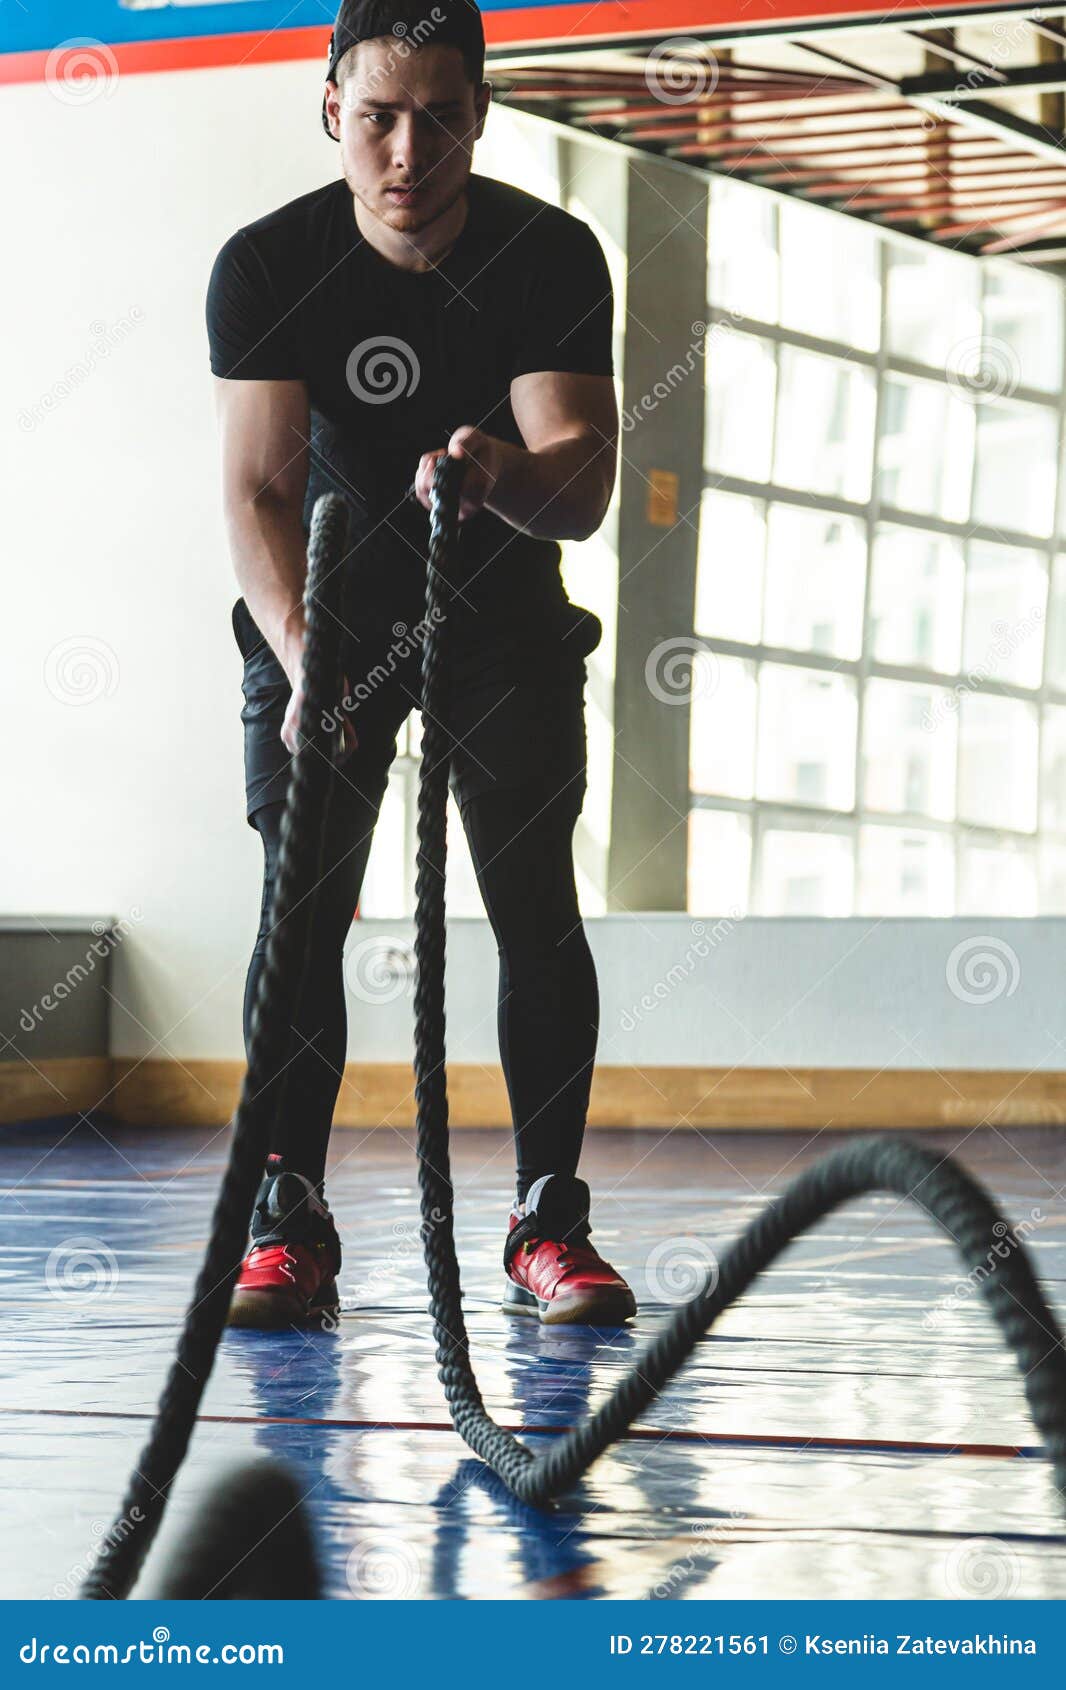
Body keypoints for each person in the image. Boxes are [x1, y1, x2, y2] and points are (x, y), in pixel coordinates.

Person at [206, 0, 635, 1330]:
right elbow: (256, 492)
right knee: (299, 913)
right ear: (332, 106)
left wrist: (505, 473)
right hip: (326, 606)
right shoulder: (267, 264)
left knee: (532, 908)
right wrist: (301, 659)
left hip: (497, 606)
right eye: (379, 117)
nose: (408, 151)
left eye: (438, 118)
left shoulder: (547, 254)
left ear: (478, 117)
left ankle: (544, 1216)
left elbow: (583, 483)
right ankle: (288, 1210)